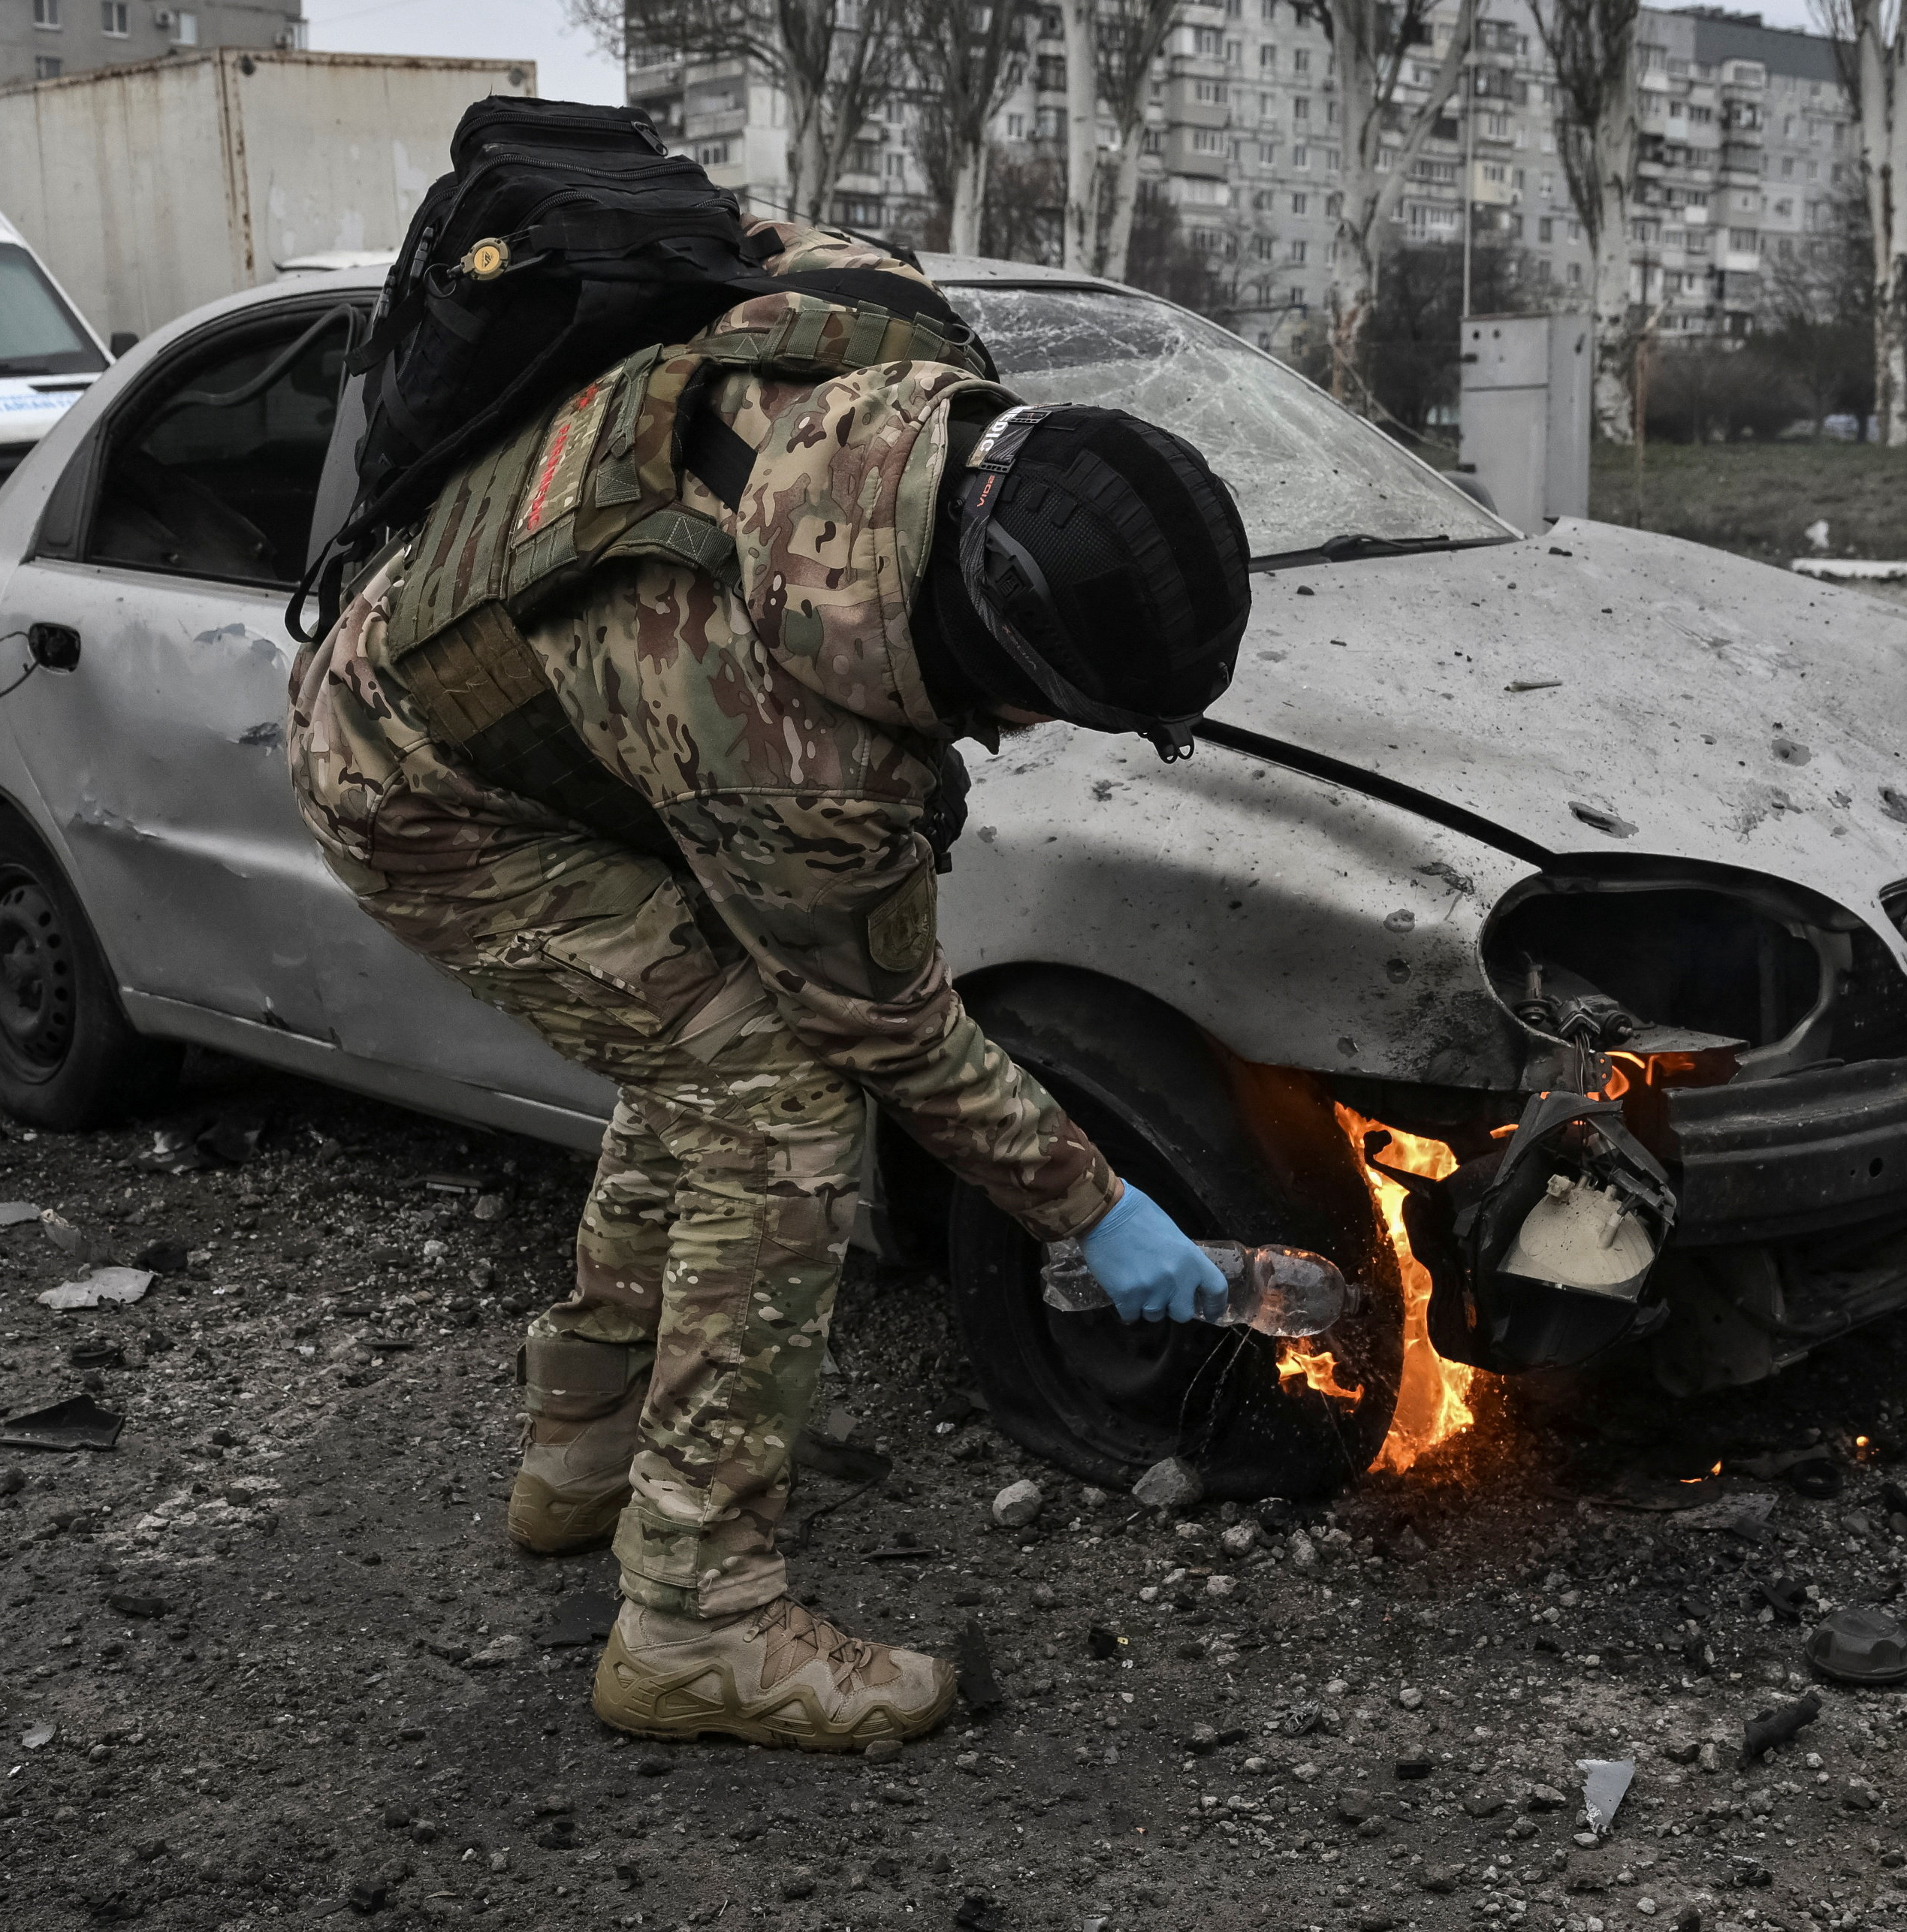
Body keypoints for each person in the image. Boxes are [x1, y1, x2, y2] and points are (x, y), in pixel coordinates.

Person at [285, 218, 1253, 1751]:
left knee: (696, 1052)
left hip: (487, 652)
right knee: (775, 1093)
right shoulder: (801, 764)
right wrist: (1095, 1208)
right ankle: (696, 1619)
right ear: (1003, 659)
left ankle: (585, 1452)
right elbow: (895, 1033)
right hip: (423, 792)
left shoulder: (889, 331)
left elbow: (728, 233)